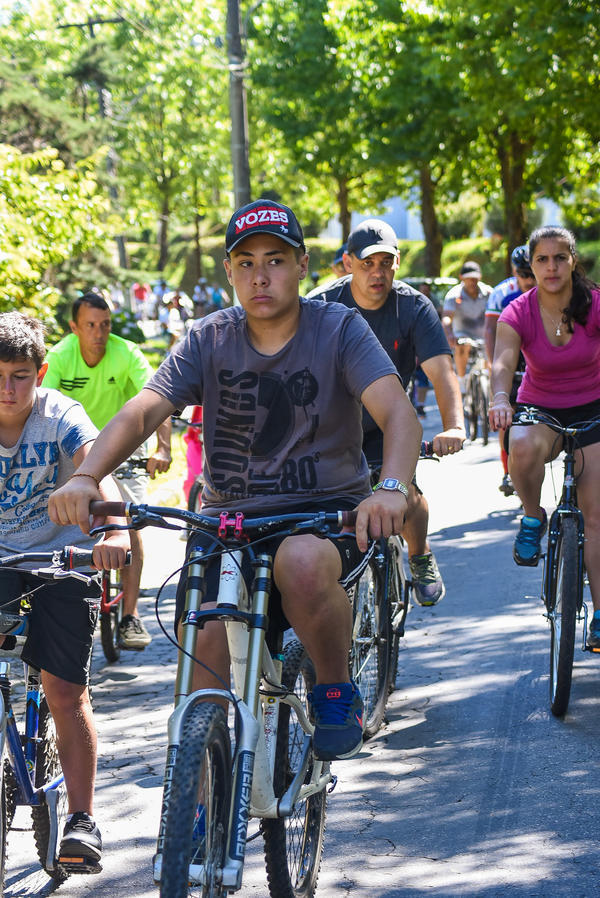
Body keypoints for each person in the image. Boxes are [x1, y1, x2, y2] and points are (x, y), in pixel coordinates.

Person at [48, 198, 422, 762]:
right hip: (228, 521)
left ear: (302, 265)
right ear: (228, 272)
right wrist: (85, 476)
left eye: (274, 259)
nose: (260, 275)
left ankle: (334, 687)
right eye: (245, 262)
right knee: (205, 655)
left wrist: (390, 489)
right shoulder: (209, 337)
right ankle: (197, 805)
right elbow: (144, 410)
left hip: (321, 515)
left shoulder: (340, 328)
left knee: (300, 563)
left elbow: (398, 414)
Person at [0, 312, 129, 870]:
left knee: (64, 693)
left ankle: (81, 818)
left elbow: (98, 473)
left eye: (20, 376)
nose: (7, 388)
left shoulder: (61, 416)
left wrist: (115, 530)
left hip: (62, 558)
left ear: (41, 372)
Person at [311, 218, 465, 606]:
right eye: (367, 264)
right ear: (348, 263)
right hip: (334, 428)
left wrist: (454, 426)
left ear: (397, 263)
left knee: (405, 494)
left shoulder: (413, 306)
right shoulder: (321, 305)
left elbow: (440, 371)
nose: (377, 273)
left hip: (389, 426)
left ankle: (419, 554)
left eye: (386, 263)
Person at [489, 226, 600, 649]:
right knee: (519, 443)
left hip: (594, 407)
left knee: (596, 517)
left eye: (560, 258)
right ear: (531, 265)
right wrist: (501, 397)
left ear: (573, 261)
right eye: (542, 260)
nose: (551, 267)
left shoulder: (595, 305)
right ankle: (533, 515)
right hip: (542, 407)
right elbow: (502, 362)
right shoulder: (518, 311)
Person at [43, 292, 172, 650]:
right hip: (72, 453)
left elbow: (158, 397)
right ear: (73, 328)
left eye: (105, 325)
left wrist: (163, 448)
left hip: (123, 451)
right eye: (90, 326)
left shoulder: (126, 353)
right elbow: (41, 410)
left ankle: (130, 614)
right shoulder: (59, 357)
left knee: (131, 524)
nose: (99, 334)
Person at [484, 246, 536, 496]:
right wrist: (492, 363)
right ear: (515, 271)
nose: (529, 280)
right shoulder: (502, 293)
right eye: (524, 274)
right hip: (512, 357)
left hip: (535, 356)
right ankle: (507, 469)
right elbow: (489, 331)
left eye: (532, 273)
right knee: (507, 416)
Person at [442, 261, 493, 391]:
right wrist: (449, 334)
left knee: (493, 357)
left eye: (475, 278)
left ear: (480, 277)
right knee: (463, 346)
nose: (472, 281)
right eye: (469, 278)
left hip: (485, 334)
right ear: (461, 278)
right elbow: (447, 317)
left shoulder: (489, 293)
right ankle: (462, 379)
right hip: (462, 333)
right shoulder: (454, 295)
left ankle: (492, 389)